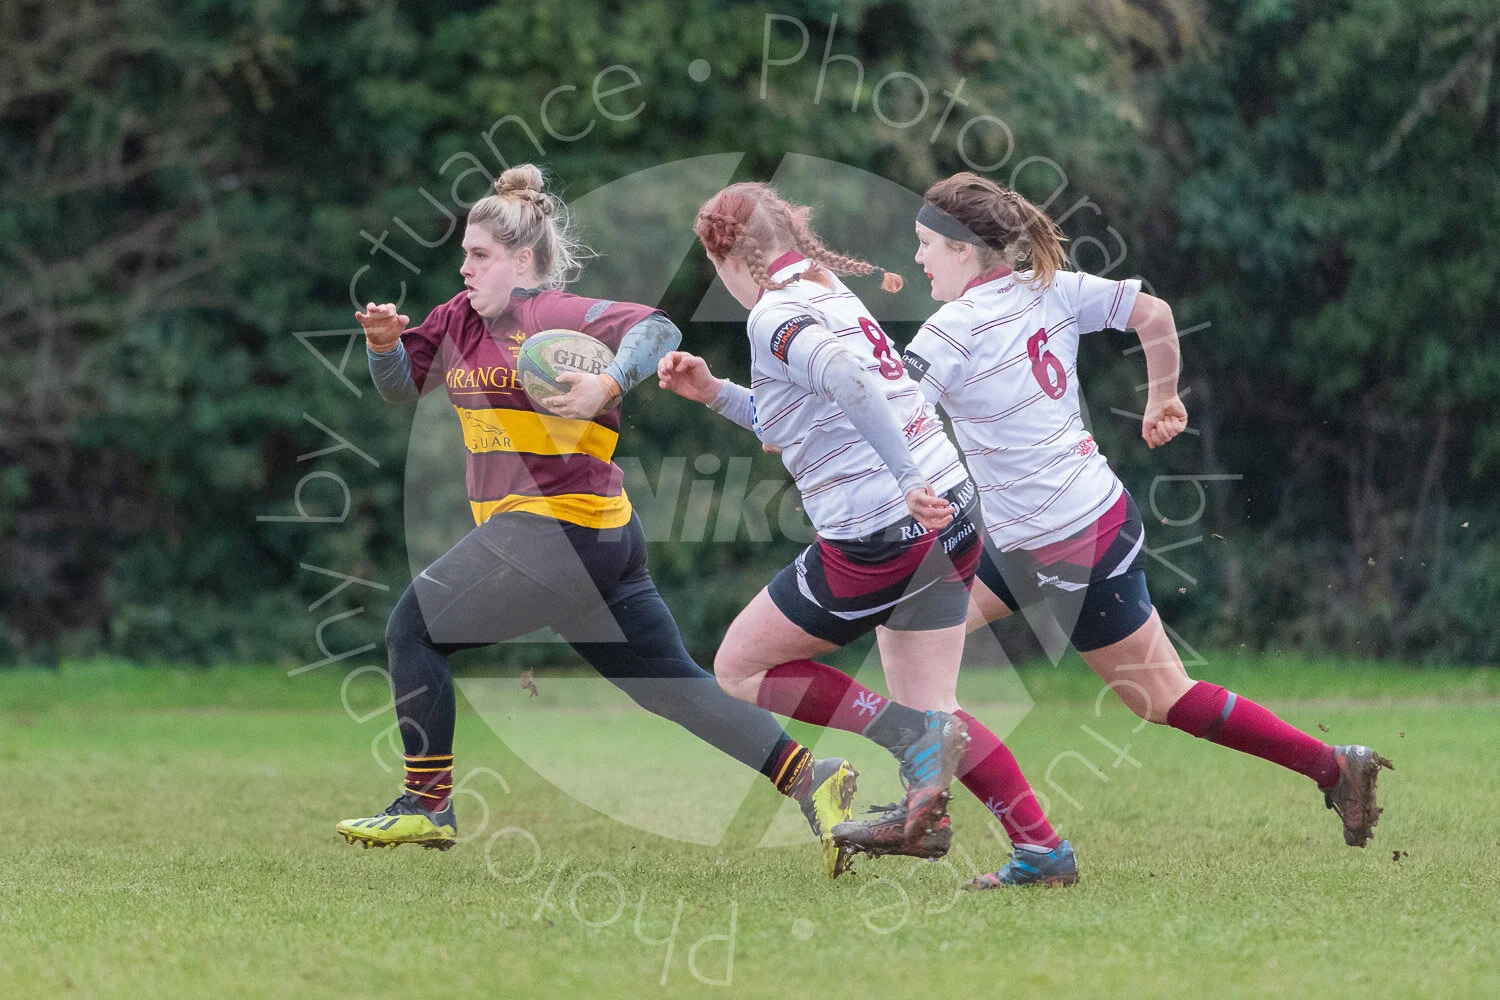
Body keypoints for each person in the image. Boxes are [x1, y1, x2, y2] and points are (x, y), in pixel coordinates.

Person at [337, 165, 859, 872]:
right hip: (595, 540)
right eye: (464, 253)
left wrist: (610, 382)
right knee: (672, 688)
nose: (463, 266)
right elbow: (402, 385)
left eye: (479, 255)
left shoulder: (551, 314)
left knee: (412, 628)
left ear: (523, 261)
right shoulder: (457, 319)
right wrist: (380, 346)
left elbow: (658, 325)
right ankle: (813, 781)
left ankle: (427, 805)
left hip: (556, 531)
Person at [895, 171, 1392, 886]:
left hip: (1049, 543)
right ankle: (1334, 767)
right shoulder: (1052, 288)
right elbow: (1154, 314)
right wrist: (1162, 400)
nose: (918, 260)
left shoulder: (950, 330)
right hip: (1099, 514)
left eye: (925, 246)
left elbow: (902, 417)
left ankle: (1019, 841)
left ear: (967, 253)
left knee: (914, 648)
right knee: (1163, 697)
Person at [657, 182, 1075, 885]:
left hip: (886, 530)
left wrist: (904, 475)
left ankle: (913, 745)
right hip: (953, 508)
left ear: (726, 254)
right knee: (938, 709)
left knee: (739, 669)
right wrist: (715, 394)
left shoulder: (774, 317)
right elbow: (800, 419)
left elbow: (851, 380)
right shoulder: (827, 291)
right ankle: (1039, 848)